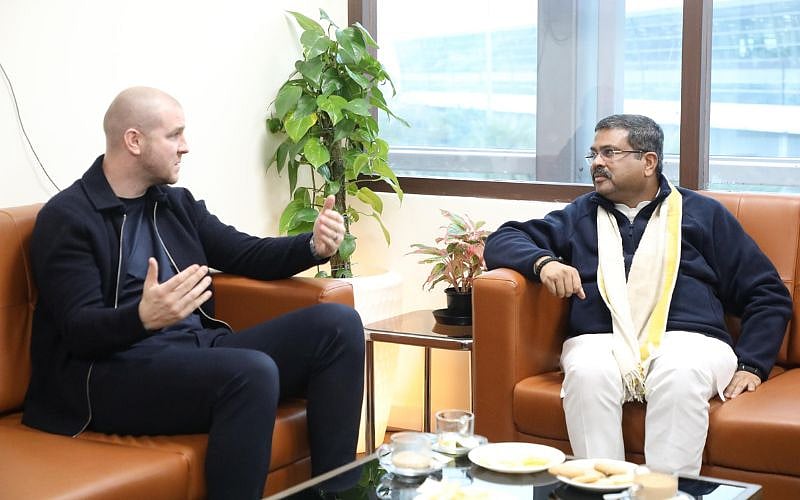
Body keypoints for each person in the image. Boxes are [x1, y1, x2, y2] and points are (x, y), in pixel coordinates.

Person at [22, 86, 365, 499]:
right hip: (111, 374)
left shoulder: (174, 205)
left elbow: (245, 253)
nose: (185, 147)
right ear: (134, 140)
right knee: (251, 371)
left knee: (339, 324)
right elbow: (78, 329)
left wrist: (312, 246)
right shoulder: (68, 218)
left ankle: (337, 494)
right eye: (175, 135)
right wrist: (142, 318)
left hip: (195, 351)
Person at [484, 114, 792, 475]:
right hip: (602, 339)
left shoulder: (702, 214)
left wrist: (752, 363)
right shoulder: (581, 214)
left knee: (679, 373)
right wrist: (543, 263)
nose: (597, 163)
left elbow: (767, 292)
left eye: (609, 152)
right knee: (587, 373)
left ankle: (665, 494)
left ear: (648, 162)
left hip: (690, 339)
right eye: (594, 154)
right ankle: (600, 488)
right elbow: (502, 239)